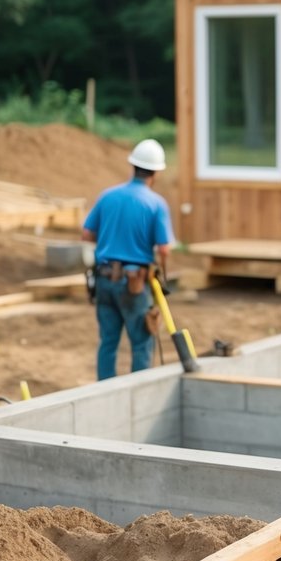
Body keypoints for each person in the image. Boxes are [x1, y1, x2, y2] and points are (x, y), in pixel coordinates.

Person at [82, 138, 175, 381]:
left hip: (103, 279)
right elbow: (164, 249)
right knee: (142, 342)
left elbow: (87, 233)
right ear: (155, 172)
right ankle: (139, 392)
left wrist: (110, 240)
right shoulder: (156, 204)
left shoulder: (107, 196)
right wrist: (162, 276)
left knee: (108, 341)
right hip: (133, 283)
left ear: (133, 166)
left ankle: (103, 391)